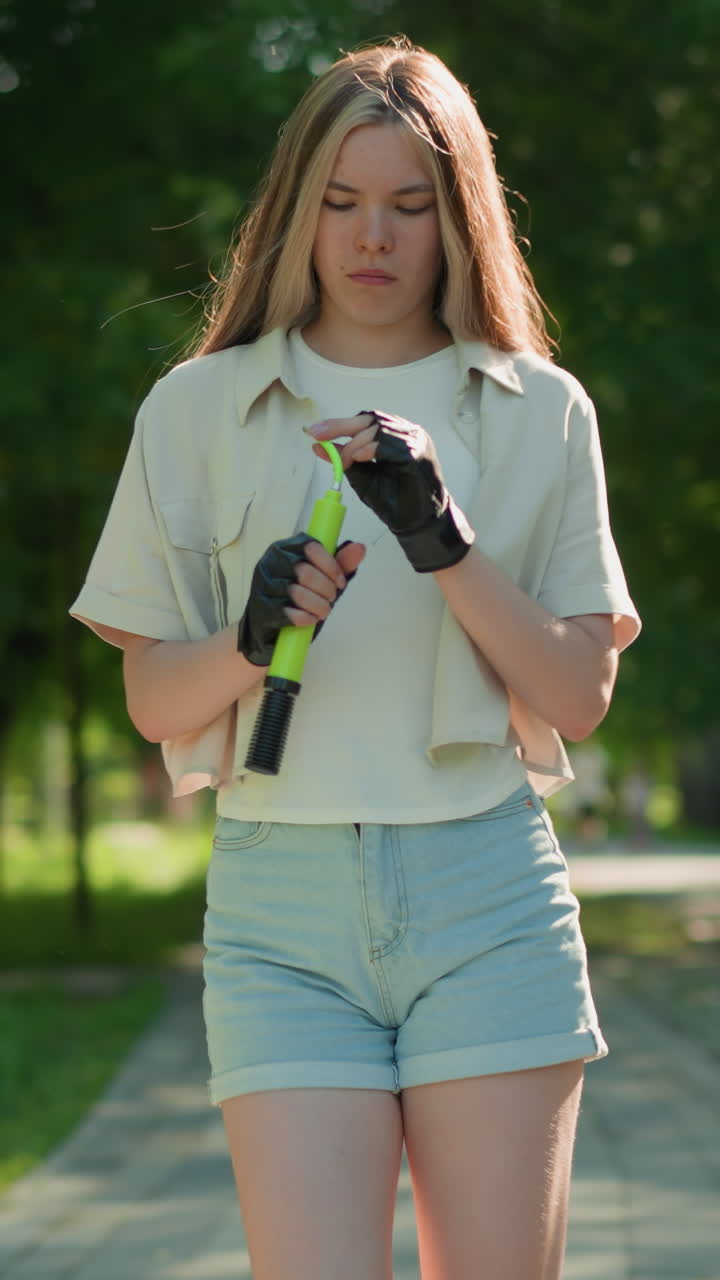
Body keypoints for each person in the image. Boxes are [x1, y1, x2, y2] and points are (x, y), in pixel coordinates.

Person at [70, 36, 641, 1280]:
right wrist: (248, 634)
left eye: (406, 205)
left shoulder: (542, 408)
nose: (369, 236)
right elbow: (153, 696)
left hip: (487, 892)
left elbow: (579, 695)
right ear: (293, 212)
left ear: (458, 217)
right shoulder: (197, 409)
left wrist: (445, 545)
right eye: (338, 203)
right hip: (280, 908)